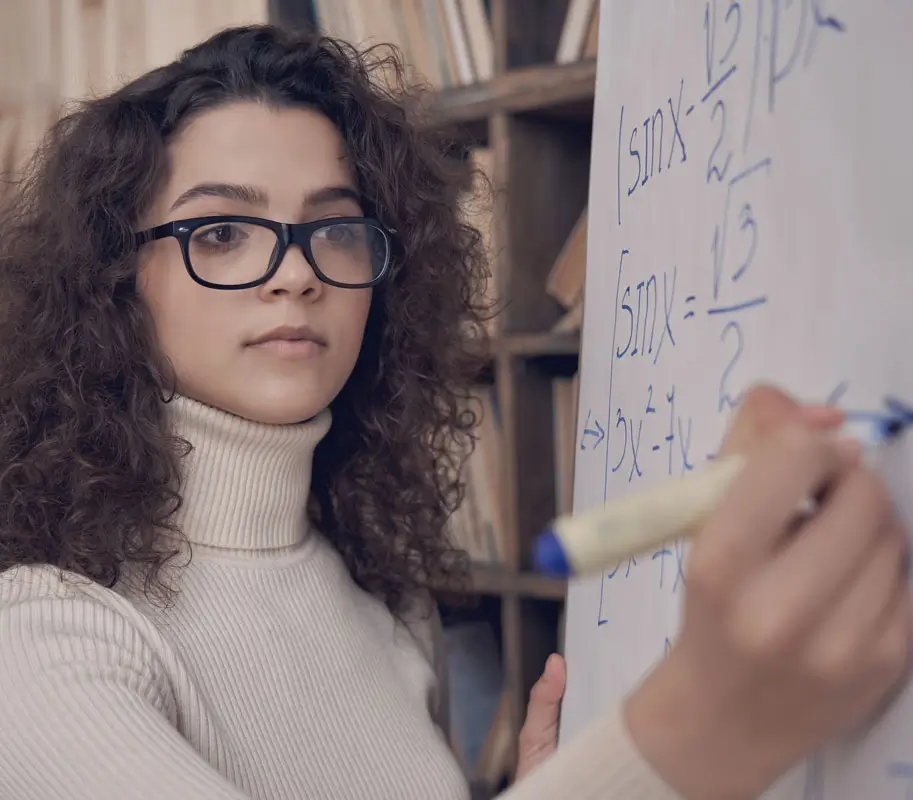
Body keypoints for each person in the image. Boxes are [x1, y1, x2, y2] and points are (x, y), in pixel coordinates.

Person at [0, 23, 909, 800]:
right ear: (115, 280)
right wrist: (689, 730)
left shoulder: (386, 601)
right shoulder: (41, 638)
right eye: (222, 232)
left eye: (336, 226)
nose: (297, 270)